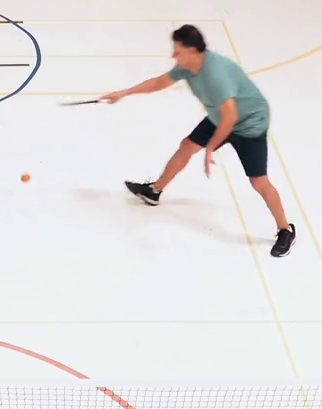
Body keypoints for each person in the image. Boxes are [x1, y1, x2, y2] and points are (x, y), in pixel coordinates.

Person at [101, 24, 297, 258]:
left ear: (193, 51)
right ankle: (155, 191)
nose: (174, 56)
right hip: (221, 115)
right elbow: (160, 82)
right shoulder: (188, 66)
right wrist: (123, 93)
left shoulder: (216, 75)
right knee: (187, 145)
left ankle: (285, 230)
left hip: (249, 123)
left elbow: (231, 117)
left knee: (258, 182)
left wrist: (210, 148)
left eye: (178, 51)